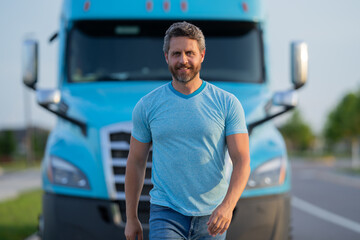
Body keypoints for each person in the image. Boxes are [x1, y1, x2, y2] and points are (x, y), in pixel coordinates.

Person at [124, 21, 251, 240]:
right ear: (166, 57)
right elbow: (135, 161)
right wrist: (131, 218)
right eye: (176, 54)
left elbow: (242, 160)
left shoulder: (227, 104)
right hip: (166, 212)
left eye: (189, 53)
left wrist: (227, 206)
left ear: (202, 55)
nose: (183, 60)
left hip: (212, 216)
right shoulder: (147, 106)